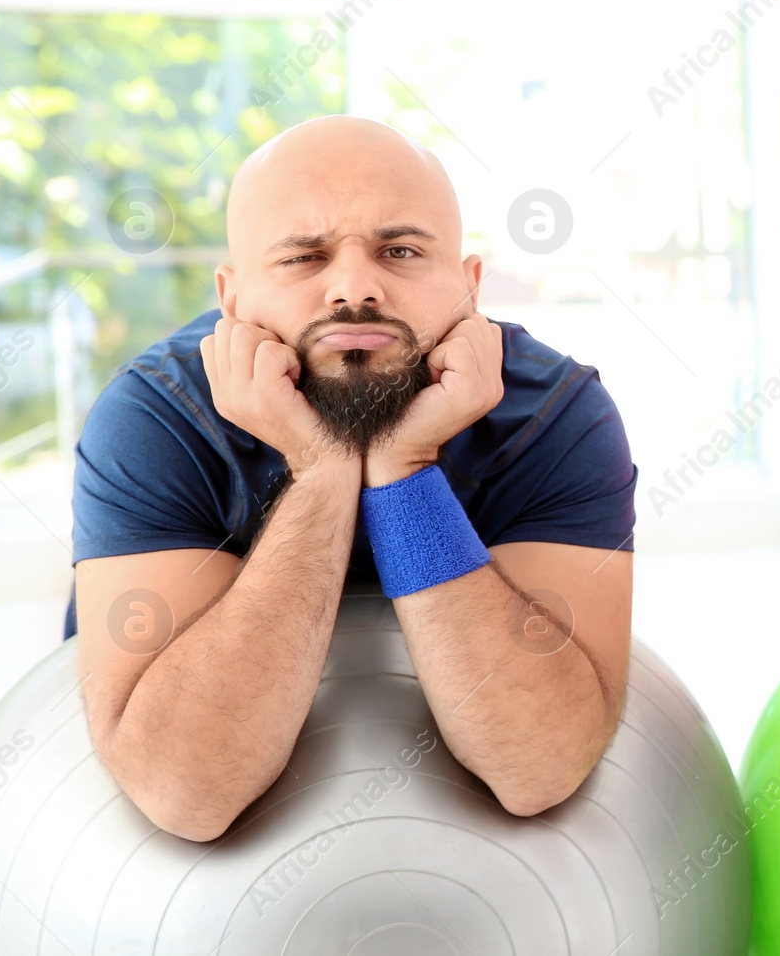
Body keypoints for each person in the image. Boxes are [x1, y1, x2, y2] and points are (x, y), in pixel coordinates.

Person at [69, 115, 638, 840]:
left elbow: (539, 767)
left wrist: (403, 474)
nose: (353, 288)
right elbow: (187, 790)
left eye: (399, 250)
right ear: (232, 297)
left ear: (469, 286)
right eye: (305, 258)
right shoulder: (156, 416)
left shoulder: (555, 414)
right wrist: (324, 469)